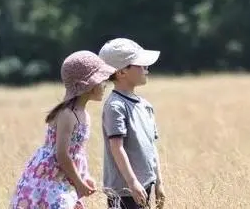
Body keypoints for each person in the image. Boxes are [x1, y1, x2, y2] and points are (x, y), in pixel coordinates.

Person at [10, 50, 116, 209]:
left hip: (66, 178)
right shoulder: (67, 115)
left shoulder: (84, 114)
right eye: (101, 80)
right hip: (49, 180)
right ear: (87, 85)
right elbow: (62, 154)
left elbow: (78, 153)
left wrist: (84, 176)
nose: (105, 84)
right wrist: (79, 183)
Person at [98, 38, 165, 209]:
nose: (146, 69)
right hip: (126, 190)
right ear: (121, 72)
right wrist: (133, 182)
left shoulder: (145, 106)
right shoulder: (115, 106)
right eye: (140, 65)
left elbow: (151, 146)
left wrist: (158, 182)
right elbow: (117, 148)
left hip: (146, 185)